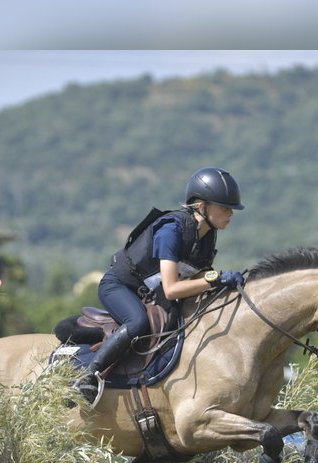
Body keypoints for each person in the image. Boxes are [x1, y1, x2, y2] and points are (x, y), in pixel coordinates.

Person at [72, 167, 247, 404]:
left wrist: (221, 281)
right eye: (224, 207)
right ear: (201, 206)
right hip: (120, 287)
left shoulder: (207, 236)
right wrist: (213, 279)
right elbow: (172, 289)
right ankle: (89, 376)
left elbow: (200, 277)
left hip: (151, 295)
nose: (230, 213)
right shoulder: (171, 231)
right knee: (138, 322)